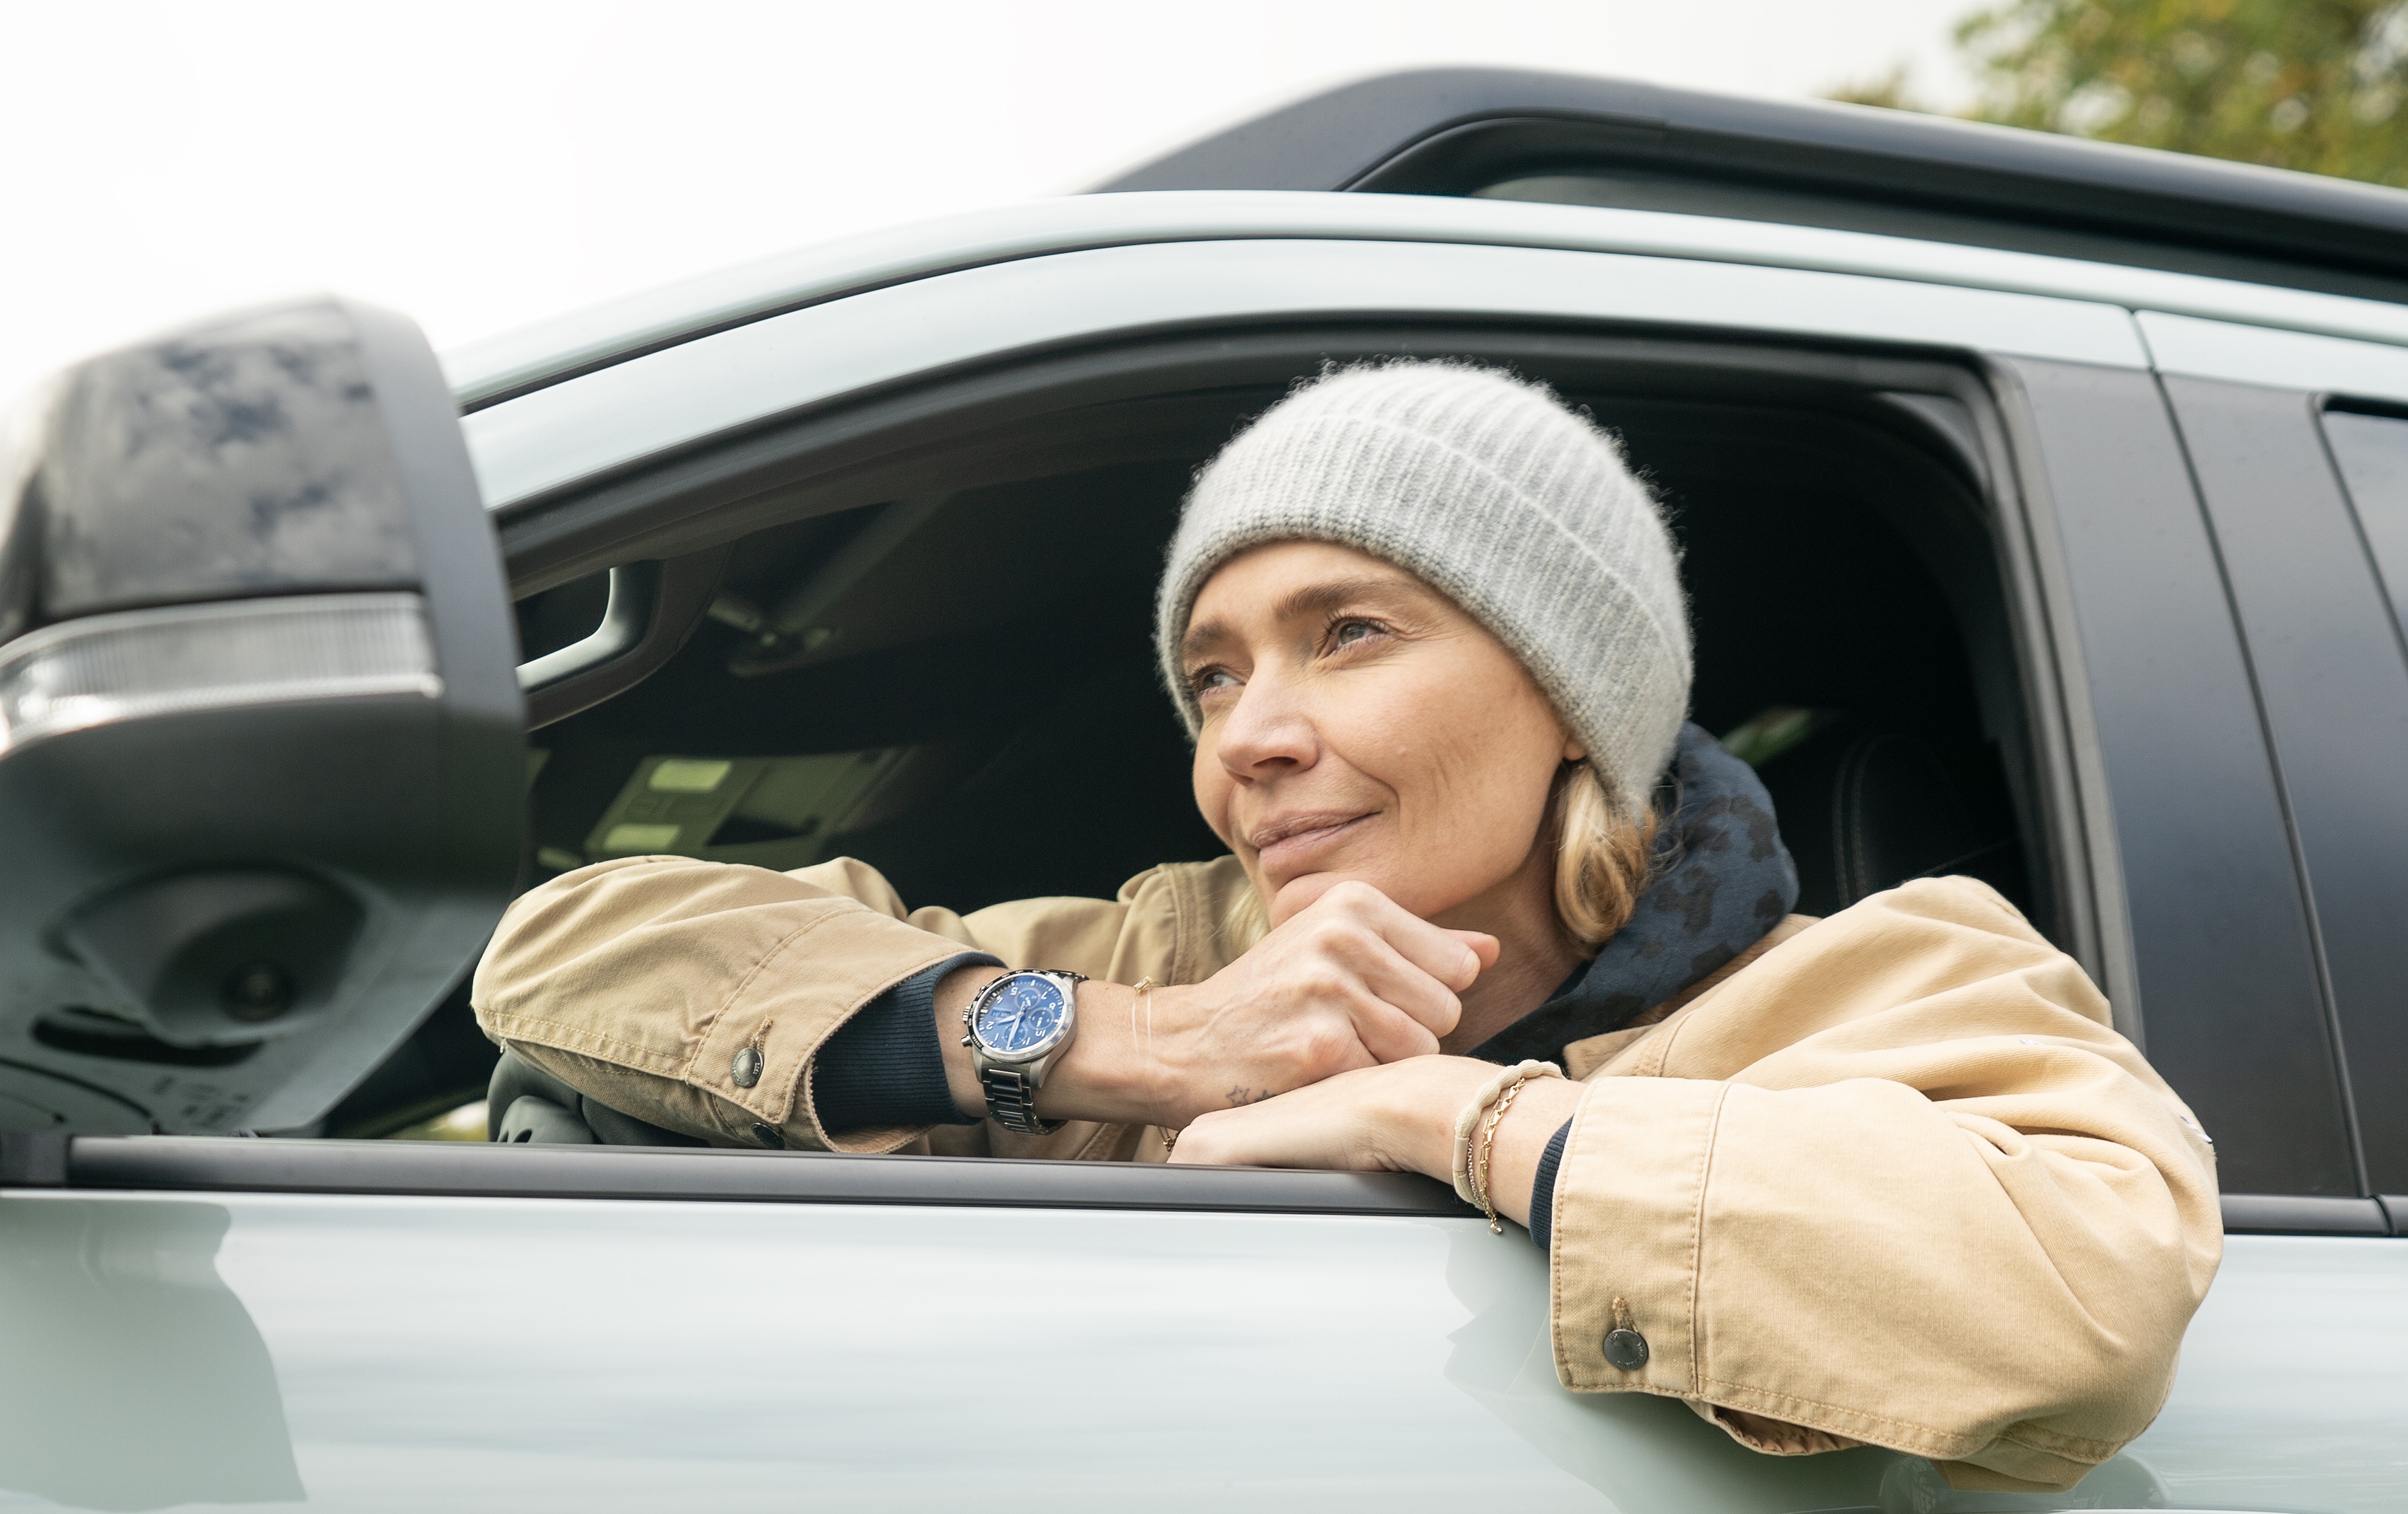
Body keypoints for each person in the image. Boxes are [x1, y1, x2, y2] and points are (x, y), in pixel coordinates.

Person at [472, 361, 2221, 1494]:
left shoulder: (1877, 979)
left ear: (1570, 699)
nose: (1249, 734)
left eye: (1351, 634)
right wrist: (1129, 1044)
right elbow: (562, 952)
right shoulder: (1148, 952)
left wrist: (1451, 1117)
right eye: (1215, 674)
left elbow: (2088, 1286)